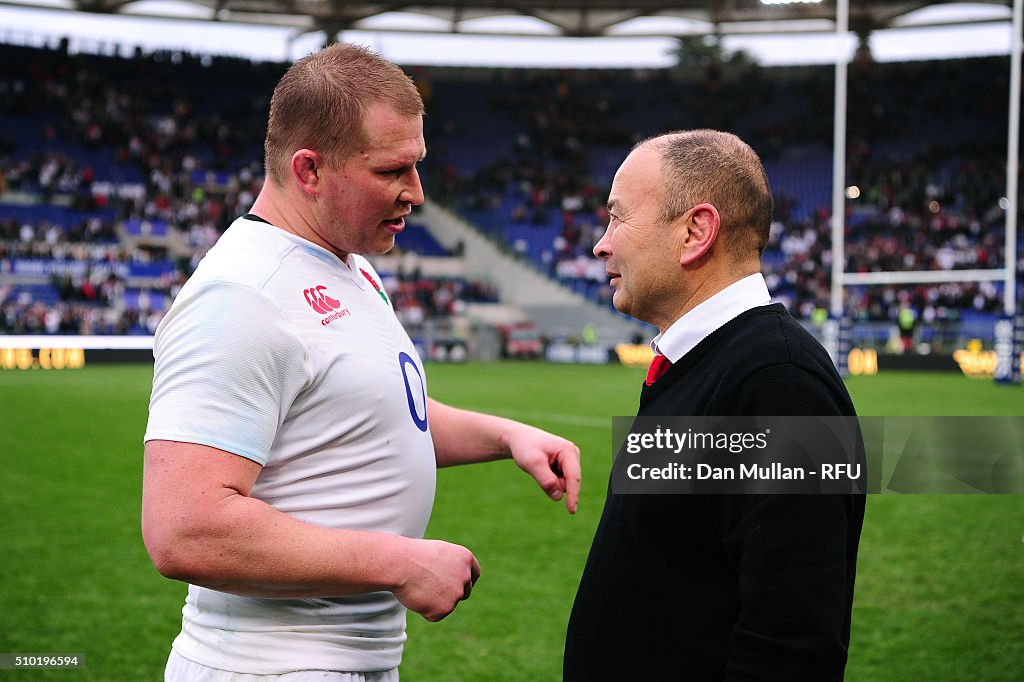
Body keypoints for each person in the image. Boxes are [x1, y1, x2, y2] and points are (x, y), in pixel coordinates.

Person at [141, 43, 581, 681]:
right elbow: (184, 528)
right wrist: (397, 561)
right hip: (271, 667)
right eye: (390, 171)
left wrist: (507, 436)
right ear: (309, 170)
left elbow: (373, 413)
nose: (417, 193)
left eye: (417, 165)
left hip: (346, 662)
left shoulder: (348, 264)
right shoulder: (244, 294)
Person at [563, 130, 864, 680]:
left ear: (696, 232)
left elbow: (791, 644)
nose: (601, 244)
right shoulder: (713, 362)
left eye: (618, 217)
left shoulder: (780, 383)